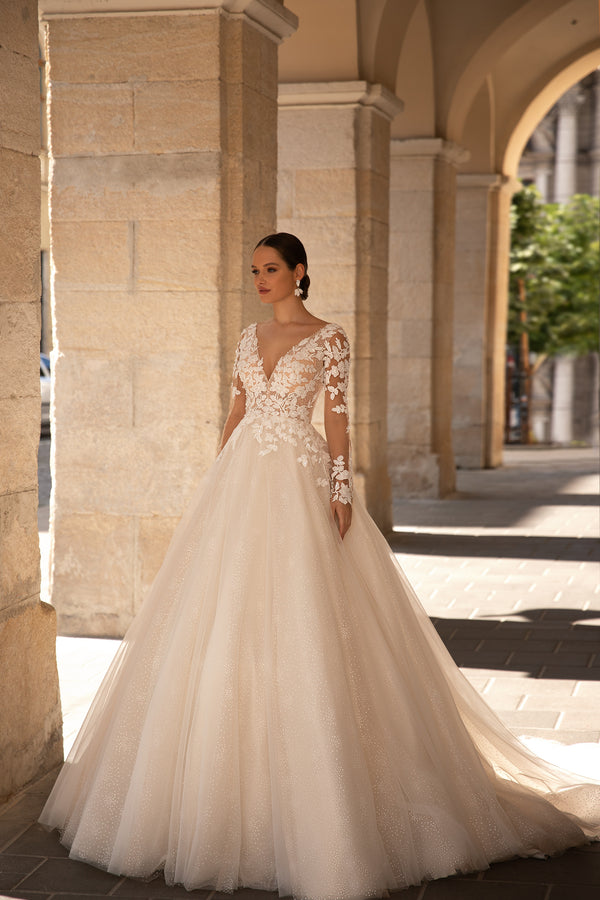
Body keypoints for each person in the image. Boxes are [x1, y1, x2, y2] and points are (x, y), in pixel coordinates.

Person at [40, 233, 599, 900]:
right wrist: (217, 484)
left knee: (306, 615)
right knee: (222, 622)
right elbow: (238, 411)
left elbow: (338, 421)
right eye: (254, 271)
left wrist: (340, 491)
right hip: (242, 481)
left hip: (300, 477)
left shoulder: (329, 337)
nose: (261, 280)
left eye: (272, 269)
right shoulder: (248, 338)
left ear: (300, 272)